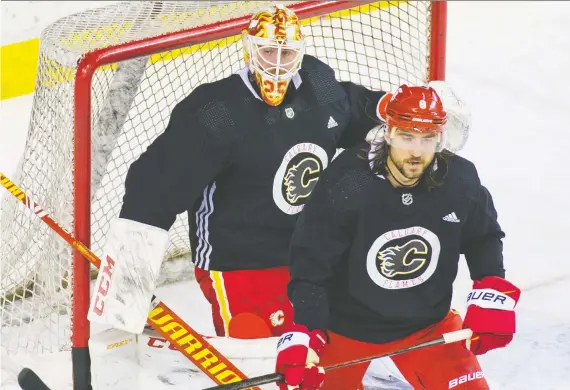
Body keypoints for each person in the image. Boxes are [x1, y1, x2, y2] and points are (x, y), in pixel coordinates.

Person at [86, 4, 391, 340]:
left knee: (353, 331)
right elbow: (154, 186)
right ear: (248, 49)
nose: (276, 64)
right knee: (271, 351)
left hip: (309, 249)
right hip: (239, 262)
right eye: (267, 52)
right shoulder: (218, 113)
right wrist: (128, 288)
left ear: (300, 54)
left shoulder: (318, 83)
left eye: (286, 53)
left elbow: (344, 115)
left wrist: (387, 107)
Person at [275, 84, 521, 389]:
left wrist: (491, 288)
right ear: (388, 133)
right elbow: (311, 266)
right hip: (346, 329)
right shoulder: (348, 181)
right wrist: (308, 331)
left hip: (427, 326)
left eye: (427, 138)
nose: (417, 151)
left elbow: (483, 236)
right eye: (407, 137)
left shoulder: (460, 179)